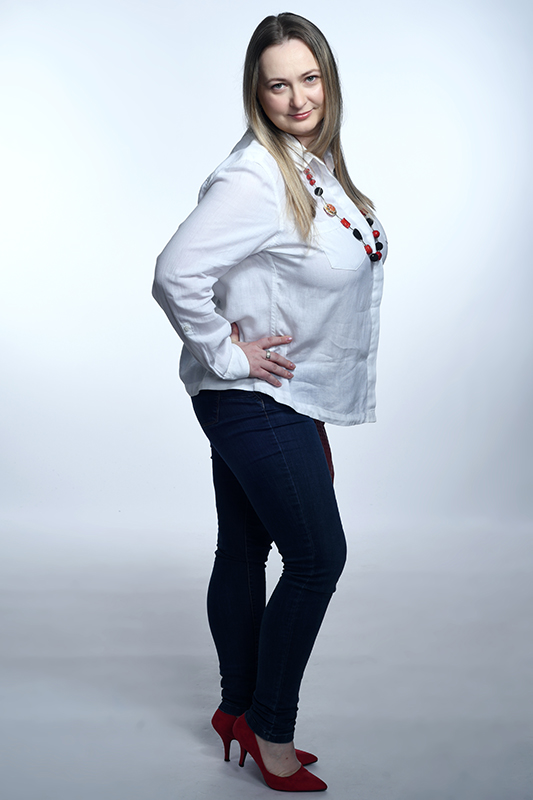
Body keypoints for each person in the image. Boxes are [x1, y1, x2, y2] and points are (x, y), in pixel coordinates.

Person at [152, 12, 387, 792]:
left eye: (309, 79)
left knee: (245, 549)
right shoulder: (256, 177)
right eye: (277, 84)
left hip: (277, 400)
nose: (297, 98)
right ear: (257, 93)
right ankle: (268, 729)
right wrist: (228, 353)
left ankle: (235, 710)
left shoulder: (309, 166)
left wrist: (307, 407)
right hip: (249, 397)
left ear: (328, 79)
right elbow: (174, 273)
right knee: (318, 558)